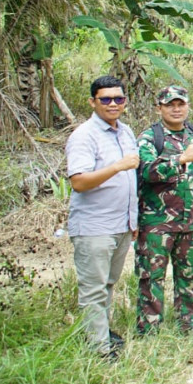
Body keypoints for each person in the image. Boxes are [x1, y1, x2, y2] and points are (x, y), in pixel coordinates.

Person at [65, 76, 139, 358]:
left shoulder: (126, 132)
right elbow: (79, 182)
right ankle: (98, 350)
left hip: (121, 224)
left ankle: (101, 334)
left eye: (118, 99)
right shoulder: (84, 136)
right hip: (95, 226)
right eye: (105, 99)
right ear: (92, 102)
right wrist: (117, 166)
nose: (112, 104)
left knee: (108, 284)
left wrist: (133, 221)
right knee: (93, 290)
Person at [135, 85, 193, 335]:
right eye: (170, 105)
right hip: (158, 223)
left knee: (189, 276)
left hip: (191, 222)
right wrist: (180, 159)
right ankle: (149, 329)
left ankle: (189, 324)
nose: (176, 109)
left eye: (181, 104)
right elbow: (147, 171)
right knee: (152, 278)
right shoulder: (150, 138)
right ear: (159, 108)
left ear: (187, 106)